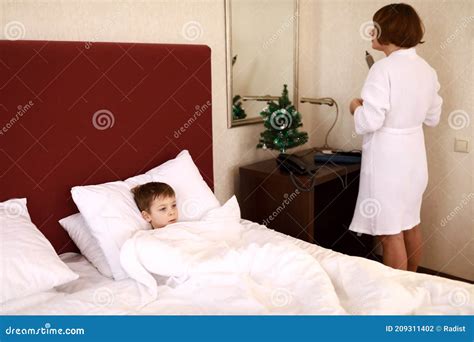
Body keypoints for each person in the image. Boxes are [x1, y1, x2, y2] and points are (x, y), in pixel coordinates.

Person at [348, 3, 442, 272]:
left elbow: (370, 121)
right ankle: (413, 288)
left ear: (388, 32)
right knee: (410, 223)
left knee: (390, 233)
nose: (371, 33)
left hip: (388, 160)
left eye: (375, 27)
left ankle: (397, 300)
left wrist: (355, 107)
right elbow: (433, 117)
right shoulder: (427, 70)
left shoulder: (382, 69)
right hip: (414, 157)